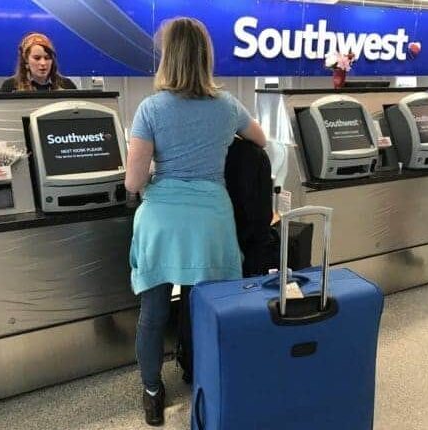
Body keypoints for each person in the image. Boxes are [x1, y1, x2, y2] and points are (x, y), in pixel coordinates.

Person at [125, 17, 266, 427]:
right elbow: (260, 142)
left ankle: (152, 393)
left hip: (162, 222)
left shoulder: (150, 108)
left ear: (168, 57)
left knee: (152, 312)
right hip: (211, 222)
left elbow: (134, 182)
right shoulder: (227, 106)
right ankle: (206, 378)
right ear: (206, 56)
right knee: (205, 308)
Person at [0, 32, 76, 92]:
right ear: (26, 60)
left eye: (47, 58)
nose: (43, 63)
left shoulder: (67, 85)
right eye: (37, 58)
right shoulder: (10, 86)